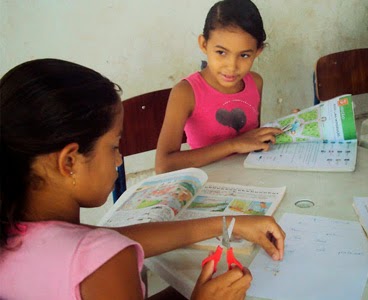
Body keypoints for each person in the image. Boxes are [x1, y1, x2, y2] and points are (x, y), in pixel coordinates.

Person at [0, 58, 286, 300]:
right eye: (113, 146)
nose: (119, 159)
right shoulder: (104, 261)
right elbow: (108, 248)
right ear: (69, 161)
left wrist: (226, 223)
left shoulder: (16, 230)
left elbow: (119, 239)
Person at [155, 0, 282, 173]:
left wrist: (293, 125)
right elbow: (164, 165)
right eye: (221, 52)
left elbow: (252, 141)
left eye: (244, 55)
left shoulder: (255, 82)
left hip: (250, 180)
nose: (231, 66)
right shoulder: (186, 93)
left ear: (258, 51)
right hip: (206, 183)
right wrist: (233, 145)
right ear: (204, 44)